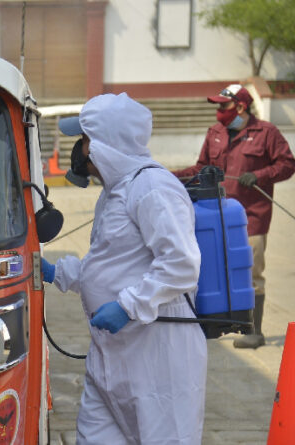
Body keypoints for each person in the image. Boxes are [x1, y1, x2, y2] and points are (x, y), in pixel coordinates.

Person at [41, 93, 207, 444]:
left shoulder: (154, 188)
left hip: (158, 353)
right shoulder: (115, 193)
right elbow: (110, 261)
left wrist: (128, 305)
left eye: (84, 140)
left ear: (104, 144)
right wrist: (60, 273)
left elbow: (181, 264)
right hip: (112, 353)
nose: (79, 149)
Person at [173, 84, 295, 349]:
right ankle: (218, 321)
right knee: (212, 270)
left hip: (252, 217)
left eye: (223, 106)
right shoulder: (215, 133)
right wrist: (171, 176)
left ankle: (254, 330)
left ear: (240, 107)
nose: (219, 112)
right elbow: (201, 167)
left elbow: (287, 164)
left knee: (250, 271)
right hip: (215, 218)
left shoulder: (267, 133)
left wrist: (260, 176)